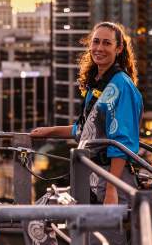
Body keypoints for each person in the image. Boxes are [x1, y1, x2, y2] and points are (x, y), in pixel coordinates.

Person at [30, 21, 143, 205]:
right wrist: (49, 132)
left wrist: (111, 190)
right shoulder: (99, 84)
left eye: (107, 43)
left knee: (107, 234)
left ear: (119, 48)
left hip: (111, 182)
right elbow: (84, 130)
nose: (99, 48)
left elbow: (123, 143)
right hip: (93, 179)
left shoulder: (121, 85)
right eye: (96, 42)